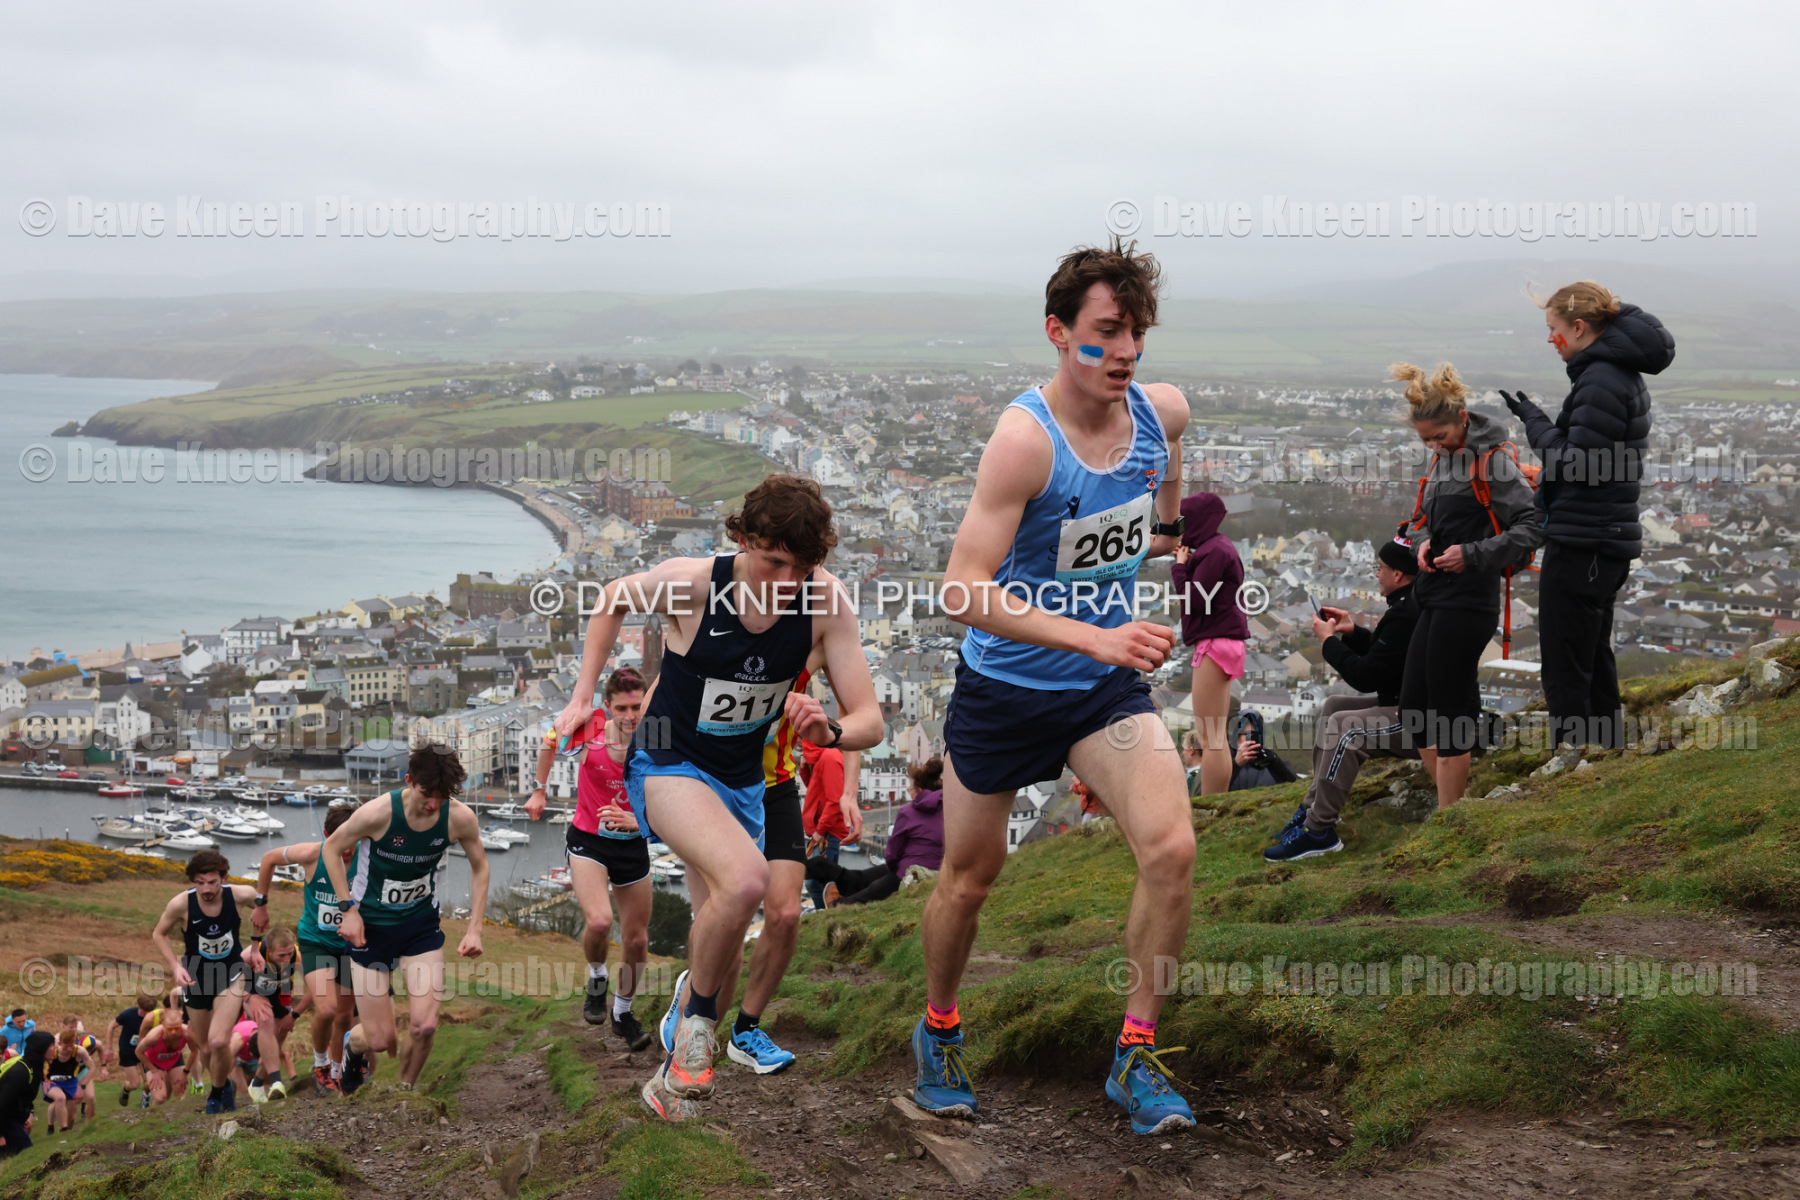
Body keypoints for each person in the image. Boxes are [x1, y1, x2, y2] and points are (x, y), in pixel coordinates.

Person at [924, 239, 1197, 1136]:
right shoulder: (1024, 442)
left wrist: (1166, 525)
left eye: (1137, 332)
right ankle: (939, 1029)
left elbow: (1175, 439)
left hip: (1100, 693)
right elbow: (961, 589)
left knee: (1171, 848)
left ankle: (1136, 1053)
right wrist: (1097, 634)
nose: (1126, 351)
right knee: (969, 881)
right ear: (1058, 331)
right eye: (1106, 332)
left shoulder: (1157, 411)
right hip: (1004, 690)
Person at [553, 473, 883, 1123]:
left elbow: (869, 718)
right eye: (774, 562)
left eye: (802, 568)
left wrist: (831, 731)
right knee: (748, 881)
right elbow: (613, 599)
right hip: (668, 759)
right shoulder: (695, 583)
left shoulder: (825, 603)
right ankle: (698, 1030)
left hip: (743, 782)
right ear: (743, 539)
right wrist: (581, 694)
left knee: (725, 944)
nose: (787, 581)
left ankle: (670, 1084)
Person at [660, 646, 861, 1077]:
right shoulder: (716, 622)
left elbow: (855, 711)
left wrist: (849, 790)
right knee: (726, 938)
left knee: (786, 914)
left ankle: (746, 1030)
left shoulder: (814, 633)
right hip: (710, 785)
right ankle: (684, 1042)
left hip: (774, 784)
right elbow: (660, 696)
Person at [1502, 282, 1672, 751]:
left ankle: (1572, 760)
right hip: (1601, 539)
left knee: (1565, 662)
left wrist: (1534, 422)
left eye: (1553, 328)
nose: (1550, 338)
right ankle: (1605, 750)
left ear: (1578, 327)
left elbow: (1577, 464)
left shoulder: (1600, 379)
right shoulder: (1615, 373)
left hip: (1584, 544)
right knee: (1591, 654)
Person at [1392, 361, 1540, 808]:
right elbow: (1419, 520)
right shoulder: (1441, 460)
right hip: (1434, 595)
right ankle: (1451, 804)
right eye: (1426, 440)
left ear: (1462, 418)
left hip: (1470, 600)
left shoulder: (1493, 461)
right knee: (1414, 707)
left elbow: (1533, 525)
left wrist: (1470, 554)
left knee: (1450, 709)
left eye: (1440, 436)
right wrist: (1421, 543)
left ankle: (1450, 816)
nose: (1435, 446)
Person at [322, 743, 489, 1094]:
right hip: (371, 929)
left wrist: (475, 929)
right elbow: (332, 848)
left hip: (419, 927)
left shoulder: (459, 818)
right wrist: (347, 910)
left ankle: (403, 1094)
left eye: (442, 797)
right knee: (380, 1039)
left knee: (424, 1026)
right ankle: (353, 1046)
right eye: (427, 795)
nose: (433, 805)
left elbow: (480, 867)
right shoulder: (378, 813)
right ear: (409, 780)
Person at [1266, 539, 1420, 861]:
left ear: (1398, 574)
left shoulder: (1406, 613)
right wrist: (1352, 632)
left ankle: (1319, 831)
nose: (1375, 574)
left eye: (1380, 567)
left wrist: (1327, 642)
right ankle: (1312, 807)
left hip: (1422, 718)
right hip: (1406, 703)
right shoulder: (1406, 606)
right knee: (1334, 705)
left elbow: (1366, 677)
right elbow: (1388, 659)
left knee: (1344, 726)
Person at [526, 667, 654, 1050]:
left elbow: (681, 793)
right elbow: (549, 741)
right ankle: (598, 978)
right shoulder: (591, 731)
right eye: (622, 709)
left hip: (633, 844)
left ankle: (623, 1013)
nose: (630, 716)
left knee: (636, 939)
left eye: (637, 707)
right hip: (589, 840)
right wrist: (539, 790)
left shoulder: (659, 738)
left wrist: (640, 821)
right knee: (599, 921)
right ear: (607, 706)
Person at [150, 849, 267, 1114]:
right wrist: (175, 966)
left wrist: (255, 946)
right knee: (204, 1047)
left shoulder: (240, 895)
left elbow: (261, 908)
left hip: (231, 973)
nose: (206, 889)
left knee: (218, 1041)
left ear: (223, 878)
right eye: (200, 883)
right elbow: (159, 934)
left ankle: (215, 1095)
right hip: (196, 977)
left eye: (212, 882)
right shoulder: (181, 904)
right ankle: (224, 1085)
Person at [254, 804, 359, 1095]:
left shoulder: (366, 856)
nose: (347, 849)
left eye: (352, 840)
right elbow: (268, 859)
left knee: (344, 1016)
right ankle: (320, 1064)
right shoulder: (312, 854)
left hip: (351, 944)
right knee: (326, 1008)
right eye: (340, 840)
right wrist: (261, 904)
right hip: (316, 941)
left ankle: (337, 1070)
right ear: (326, 835)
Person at [1171, 491, 1247, 795]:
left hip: (1214, 643)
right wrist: (1188, 563)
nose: (1179, 530)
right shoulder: (1218, 547)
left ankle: (1210, 802)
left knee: (1209, 737)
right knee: (1215, 736)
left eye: (1182, 523)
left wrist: (1179, 567)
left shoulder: (1214, 552)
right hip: (1224, 641)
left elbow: (1194, 600)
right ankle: (1218, 801)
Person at [807, 756, 945, 906]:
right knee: (864, 879)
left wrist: (894, 869)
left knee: (871, 889)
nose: (909, 793)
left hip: (911, 874)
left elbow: (892, 854)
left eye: (909, 790)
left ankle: (838, 905)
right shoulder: (950, 808)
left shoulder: (909, 812)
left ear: (919, 791)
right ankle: (840, 887)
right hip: (937, 871)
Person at [799, 735, 862, 912]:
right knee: (822, 881)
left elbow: (834, 800)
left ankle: (828, 915)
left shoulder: (829, 757)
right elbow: (815, 788)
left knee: (816, 882)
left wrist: (820, 831)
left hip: (828, 832)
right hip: (826, 830)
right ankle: (830, 914)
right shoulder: (823, 756)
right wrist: (804, 768)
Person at [242, 928, 300, 1103]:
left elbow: (314, 989)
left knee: (276, 1041)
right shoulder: (253, 953)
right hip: (251, 992)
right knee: (265, 1018)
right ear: (269, 951)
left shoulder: (297, 956)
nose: (286, 960)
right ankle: (277, 1083)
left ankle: (257, 1083)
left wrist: (293, 1015)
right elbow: (228, 973)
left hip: (279, 993)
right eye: (281, 955)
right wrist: (248, 997)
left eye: (289, 954)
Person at [0, 1030, 53, 1158]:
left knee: (20, 1156)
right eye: (51, 1045)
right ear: (41, 1049)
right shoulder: (21, 1072)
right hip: (4, 1119)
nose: (55, 1049)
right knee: (26, 1155)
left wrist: (28, 1113)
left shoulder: (34, 1068)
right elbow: (2, 1103)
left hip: (11, 1118)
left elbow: (24, 1098)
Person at [1227, 710, 1297, 791]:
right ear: (1235, 736)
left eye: (1252, 734)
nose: (1247, 738)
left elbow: (1296, 788)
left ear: (1260, 736)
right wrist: (1236, 764)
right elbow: (1216, 789)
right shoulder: (1224, 764)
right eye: (1243, 733)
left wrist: (1276, 763)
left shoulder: (1272, 763)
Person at [109, 993, 156, 1108]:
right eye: (144, 1011)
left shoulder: (154, 1017)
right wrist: (109, 1048)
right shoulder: (128, 1014)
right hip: (128, 1051)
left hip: (143, 1051)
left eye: (149, 1011)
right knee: (134, 1084)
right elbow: (111, 1026)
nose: (146, 1014)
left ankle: (145, 1102)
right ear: (139, 1006)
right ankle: (126, 1089)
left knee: (149, 1081)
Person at [40, 1031, 93, 1133]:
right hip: (52, 1082)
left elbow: (92, 1068)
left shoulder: (79, 1051)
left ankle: (65, 1131)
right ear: (59, 1043)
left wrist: (82, 1086)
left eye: (71, 1046)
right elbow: (38, 1065)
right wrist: (44, 1080)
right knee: (60, 1098)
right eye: (66, 1047)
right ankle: (62, 1129)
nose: (69, 1049)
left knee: (71, 1117)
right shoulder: (52, 1052)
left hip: (70, 1083)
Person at [136, 1010, 189, 1106]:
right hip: (154, 1061)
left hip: (174, 1059)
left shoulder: (187, 1032)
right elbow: (138, 1052)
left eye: (177, 1028)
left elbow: (195, 1051)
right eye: (169, 1029)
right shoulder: (153, 1037)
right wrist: (154, 1070)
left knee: (180, 1093)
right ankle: (152, 1110)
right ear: (163, 1024)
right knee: (160, 1098)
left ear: (181, 1023)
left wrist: (185, 1072)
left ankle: (177, 1114)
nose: (173, 1032)